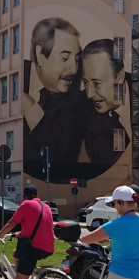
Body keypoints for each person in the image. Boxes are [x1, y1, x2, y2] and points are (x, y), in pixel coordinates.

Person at [22, 18, 84, 180]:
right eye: (65, 57)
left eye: (77, 59)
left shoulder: (76, 100)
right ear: (39, 55)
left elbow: (60, 150)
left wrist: (29, 106)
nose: (73, 69)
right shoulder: (15, 78)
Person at [78, 39, 129, 173]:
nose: (89, 94)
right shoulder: (80, 108)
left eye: (96, 83)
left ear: (120, 76)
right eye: (85, 82)